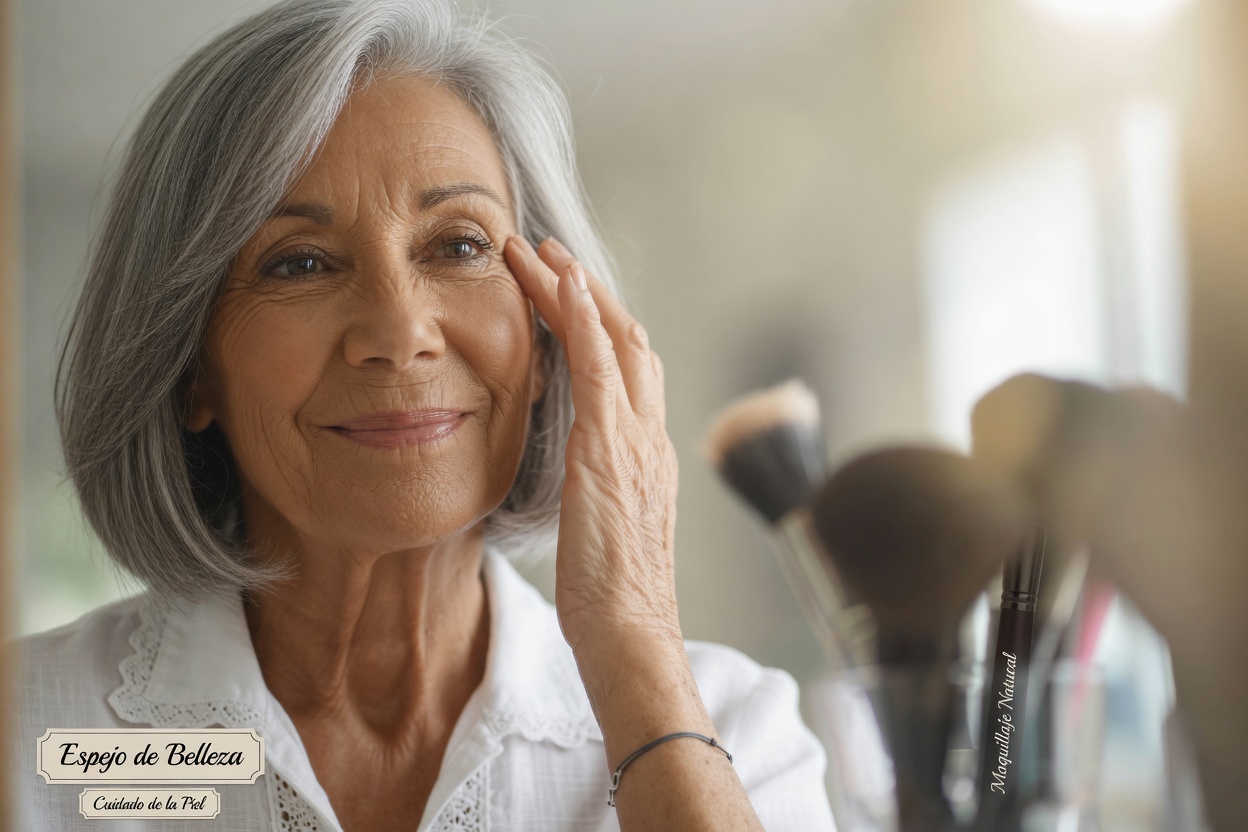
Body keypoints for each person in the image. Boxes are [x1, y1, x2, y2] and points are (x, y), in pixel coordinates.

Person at [9, 0, 837, 829]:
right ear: (188, 368)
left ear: (550, 339)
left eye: (460, 245)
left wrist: (638, 657)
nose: (400, 335)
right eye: (299, 263)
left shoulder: (736, 733)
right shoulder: (36, 740)